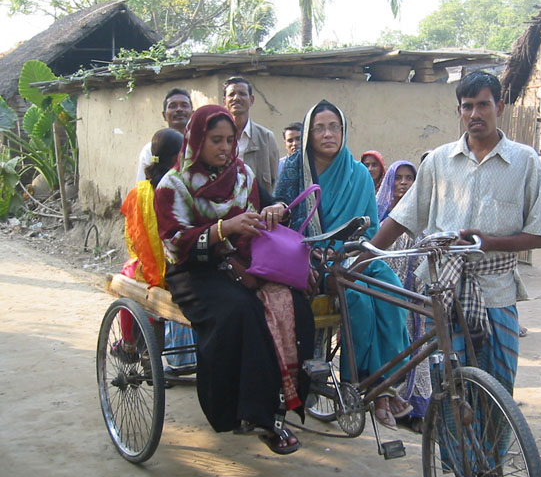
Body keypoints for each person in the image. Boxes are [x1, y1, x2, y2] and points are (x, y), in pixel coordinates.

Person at [369, 70, 541, 397]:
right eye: (467, 106)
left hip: (497, 292)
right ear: (459, 110)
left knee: (498, 388)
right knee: (448, 389)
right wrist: (366, 254)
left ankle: (495, 434)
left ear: (499, 107)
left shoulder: (524, 161)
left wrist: (490, 243)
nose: (475, 114)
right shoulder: (438, 161)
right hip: (444, 290)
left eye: (483, 105)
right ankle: (448, 434)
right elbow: (402, 218)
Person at [154, 104, 315, 454]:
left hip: (243, 263)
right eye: (216, 140)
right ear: (197, 140)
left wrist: (276, 209)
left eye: (230, 140)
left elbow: (273, 204)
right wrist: (224, 228)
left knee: (294, 304)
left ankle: (285, 399)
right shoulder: (174, 185)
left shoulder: (243, 175)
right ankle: (248, 413)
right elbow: (174, 244)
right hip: (194, 271)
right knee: (239, 312)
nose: (225, 147)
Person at [273, 100, 411, 428]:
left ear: (343, 131)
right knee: (358, 300)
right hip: (313, 261)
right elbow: (281, 219)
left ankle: (384, 383)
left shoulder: (359, 173)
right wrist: (313, 255)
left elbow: (371, 229)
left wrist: (356, 258)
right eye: (319, 128)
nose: (328, 134)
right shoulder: (294, 168)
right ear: (309, 134)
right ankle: (361, 386)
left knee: (394, 293)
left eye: (334, 127)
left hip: (356, 254)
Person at [118, 128, 186, 365]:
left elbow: (132, 240)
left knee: (126, 276)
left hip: (153, 274)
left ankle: (129, 344)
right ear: (178, 157)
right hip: (186, 270)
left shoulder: (137, 194)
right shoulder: (186, 187)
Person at [376, 160, 429, 432]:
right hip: (388, 297)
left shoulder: (423, 218)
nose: (404, 183)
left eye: (409, 178)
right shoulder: (380, 217)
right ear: (390, 182)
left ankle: (418, 410)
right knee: (392, 348)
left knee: (418, 350)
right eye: (399, 178)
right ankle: (388, 400)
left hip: (415, 296)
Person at [223, 76, 280, 194]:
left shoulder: (266, 138)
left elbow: (275, 181)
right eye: (232, 94)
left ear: (251, 100)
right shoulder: (216, 137)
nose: (236, 98)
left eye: (242, 94)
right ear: (224, 101)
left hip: (257, 203)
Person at [135, 88, 193, 182]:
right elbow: (142, 185)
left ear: (193, 113)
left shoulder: (200, 146)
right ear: (164, 115)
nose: (179, 109)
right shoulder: (150, 149)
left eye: (184, 105)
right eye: (172, 106)